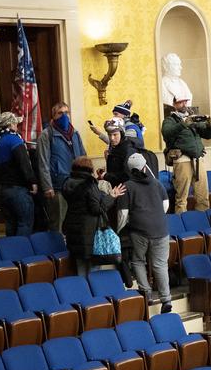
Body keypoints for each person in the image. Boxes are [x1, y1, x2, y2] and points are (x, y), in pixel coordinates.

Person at [118, 152, 172, 314]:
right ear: (144, 166)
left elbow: (123, 214)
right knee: (160, 265)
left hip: (139, 231)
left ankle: (146, 293)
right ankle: (166, 299)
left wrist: (118, 230)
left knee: (138, 261)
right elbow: (166, 205)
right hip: (161, 230)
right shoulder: (156, 183)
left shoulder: (127, 186)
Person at [61, 156, 125, 278]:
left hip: (72, 229)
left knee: (80, 268)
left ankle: (83, 293)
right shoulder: (89, 184)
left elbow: (81, 199)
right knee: (94, 268)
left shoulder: (67, 182)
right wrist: (112, 196)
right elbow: (97, 208)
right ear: (90, 169)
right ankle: (94, 293)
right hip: (89, 232)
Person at [37, 102, 87, 232]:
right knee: (57, 223)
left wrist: (88, 179)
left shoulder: (75, 133)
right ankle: (57, 251)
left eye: (66, 112)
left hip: (77, 184)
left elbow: (83, 157)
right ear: (53, 116)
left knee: (76, 221)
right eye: (60, 113)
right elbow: (43, 162)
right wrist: (47, 186)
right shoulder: (47, 134)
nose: (64, 116)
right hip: (58, 186)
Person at [161, 95, 211, 213]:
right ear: (174, 104)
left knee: (203, 197)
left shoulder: (193, 118)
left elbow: (208, 135)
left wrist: (210, 125)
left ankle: (201, 223)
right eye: (180, 102)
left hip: (198, 159)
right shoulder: (170, 120)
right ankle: (181, 225)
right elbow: (167, 133)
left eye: (185, 101)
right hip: (182, 159)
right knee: (181, 199)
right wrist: (184, 123)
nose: (184, 104)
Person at [0, 112, 37, 237]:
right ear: (11, 124)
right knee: (24, 223)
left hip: (0, 189)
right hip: (17, 189)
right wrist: (32, 181)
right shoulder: (15, 140)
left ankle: (11, 252)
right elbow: (24, 163)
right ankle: (22, 253)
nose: (17, 125)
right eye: (16, 123)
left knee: (10, 223)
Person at [101, 119, 136, 187]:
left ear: (121, 133)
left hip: (125, 190)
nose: (112, 138)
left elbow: (127, 175)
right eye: (109, 135)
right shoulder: (114, 147)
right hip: (117, 188)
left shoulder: (127, 149)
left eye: (115, 134)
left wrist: (106, 176)